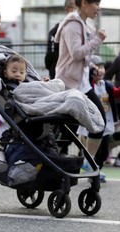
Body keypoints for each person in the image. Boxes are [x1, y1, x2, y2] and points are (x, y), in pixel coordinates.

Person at [55, 0, 106, 170]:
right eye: (96, 3)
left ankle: (88, 162)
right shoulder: (72, 24)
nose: (98, 7)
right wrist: (98, 40)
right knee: (67, 126)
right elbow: (76, 53)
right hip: (69, 83)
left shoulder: (84, 25)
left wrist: (93, 70)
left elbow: (81, 59)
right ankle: (62, 160)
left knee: (98, 122)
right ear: (84, 3)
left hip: (81, 83)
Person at [77, 55, 119, 182]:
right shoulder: (87, 87)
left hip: (105, 123)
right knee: (90, 149)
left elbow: (115, 92)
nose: (100, 70)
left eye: (101, 67)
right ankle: (91, 170)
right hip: (90, 123)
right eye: (97, 68)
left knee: (104, 152)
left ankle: (96, 170)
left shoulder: (106, 85)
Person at [45, 0, 76, 79]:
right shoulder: (56, 30)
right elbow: (51, 54)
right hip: (59, 73)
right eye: (76, 8)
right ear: (67, 9)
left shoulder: (85, 28)